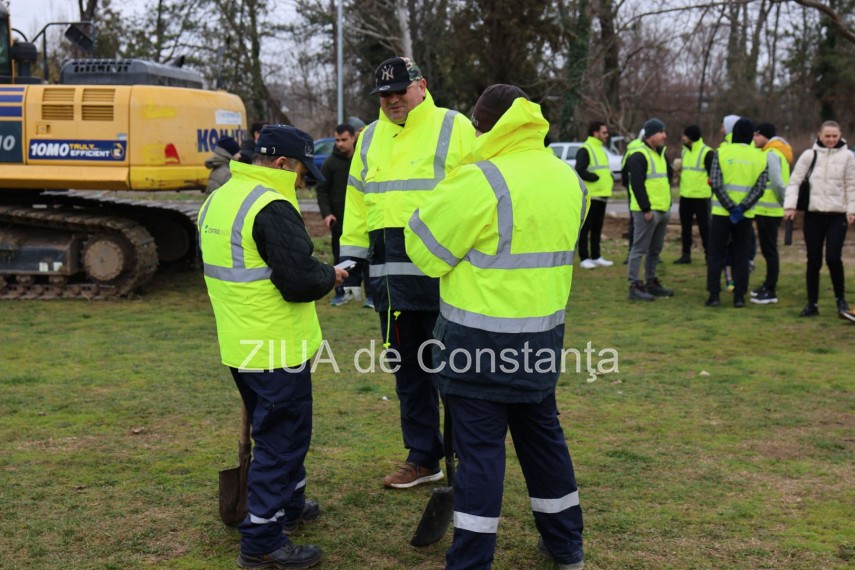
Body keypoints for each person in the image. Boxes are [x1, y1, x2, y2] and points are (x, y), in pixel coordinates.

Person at [405, 83, 585, 570]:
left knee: (480, 455)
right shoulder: (569, 179)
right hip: (542, 341)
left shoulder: (479, 180)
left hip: (475, 346)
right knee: (545, 442)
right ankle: (566, 544)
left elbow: (424, 252)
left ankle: (471, 560)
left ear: (483, 125)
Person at [198, 124, 348, 569]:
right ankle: (262, 539)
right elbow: (298, 281)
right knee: (282, 441)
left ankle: (291, 505)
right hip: (275, 346)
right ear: (281, 164)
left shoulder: (219, 198)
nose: (303, 182)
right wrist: (330, 275)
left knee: (280, 435)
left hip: (239, 343)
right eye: (302, 171)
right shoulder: (271, 204)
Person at [340, 56, 476, 488]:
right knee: (408, 373)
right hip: (390, 284)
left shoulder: (455, 127)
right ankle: (423, 457)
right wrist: (351, 258)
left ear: (422, 85)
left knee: (454, 372)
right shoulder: (368, 138)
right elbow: (357, 202)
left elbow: (478, 193)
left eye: (400, 90)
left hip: (446, 278)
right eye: (384, 94)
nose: (392, 99)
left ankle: (469, 458)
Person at [784, 120, 855, 320]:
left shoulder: (848, 157)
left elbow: (852, 185)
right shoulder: (809, 155)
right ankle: (812, 303)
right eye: (827, 136)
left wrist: (852, 210)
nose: (831, 139)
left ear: (840, 135)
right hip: (814, 215)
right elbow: (795, 181)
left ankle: (841, 299)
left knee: (833, 258)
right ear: (819, 135)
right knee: (813, 260)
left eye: (835, 136)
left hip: (837, 215)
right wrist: (790, 206)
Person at [705, 118, 768, 308]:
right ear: (751, 135)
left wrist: (730, 207)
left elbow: (715, 181)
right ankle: (739, 296)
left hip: (721, 213)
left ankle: (714, 295)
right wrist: (742, 208)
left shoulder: (721, 152)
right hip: (745, 215)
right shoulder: (760, 156)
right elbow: (760, 187)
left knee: (715, 254)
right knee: (741, 256)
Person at [316, 123, 373, 307]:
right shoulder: (329, 164)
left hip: (365, 220)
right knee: (340, 257)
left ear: (353, 138)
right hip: (339, 222)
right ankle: (341, 293)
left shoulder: (363, 159)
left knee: (370, 259)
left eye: (344, 140)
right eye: (337, 140)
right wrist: (327, 214)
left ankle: (371, 296)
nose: (340, 144)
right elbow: (322, 191)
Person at [625, 118, 675, 301]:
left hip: (662, 210)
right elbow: (636, 184)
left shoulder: (660, 154)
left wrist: (666, 206)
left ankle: (650, 282)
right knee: (639, 249)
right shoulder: (639, 155)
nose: (664, 135)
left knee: (655, 250)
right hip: (647, 212)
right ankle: (634, 285)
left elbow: (664, 181)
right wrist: (646, 209)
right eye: (660, 132)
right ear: (649, 135)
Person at [750, 122, 792, 304]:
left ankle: (771, 290)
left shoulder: (772, 154)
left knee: (770, 251)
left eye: (756, 135)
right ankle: (767, 285)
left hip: (769, 210)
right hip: (766, 210)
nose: (754, 139)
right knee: (768, 251)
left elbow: (776, 183)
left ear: (763, 135)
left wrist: (785, 203)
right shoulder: (772, 152)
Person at [576, 120, 615, 269]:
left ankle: (596, 256)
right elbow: (580, 169)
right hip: (591, 196)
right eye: (604, 132)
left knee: (598, 228)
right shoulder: (585, 149)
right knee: (586, 228)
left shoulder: (601, 149)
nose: (607, 135)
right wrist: (594, 177)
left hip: (603, 195)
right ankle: (584, 258)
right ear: (595, 133)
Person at [674, 125, 712, 264]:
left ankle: (709, 255)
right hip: (686, 195)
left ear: (690, 137)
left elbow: (712, 175)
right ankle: (685, 255)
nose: (682, 137)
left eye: (685, 135)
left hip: (702, 196)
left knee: (705, 228)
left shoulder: (707, 152)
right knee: (685, 227)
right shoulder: (685, 151)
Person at [620, 129, 645, 264]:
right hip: (642, 194)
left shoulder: (631, 150)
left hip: (634, 193)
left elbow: (624, 174)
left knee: (635, 224)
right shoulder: (645, 151)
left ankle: (632, 253)